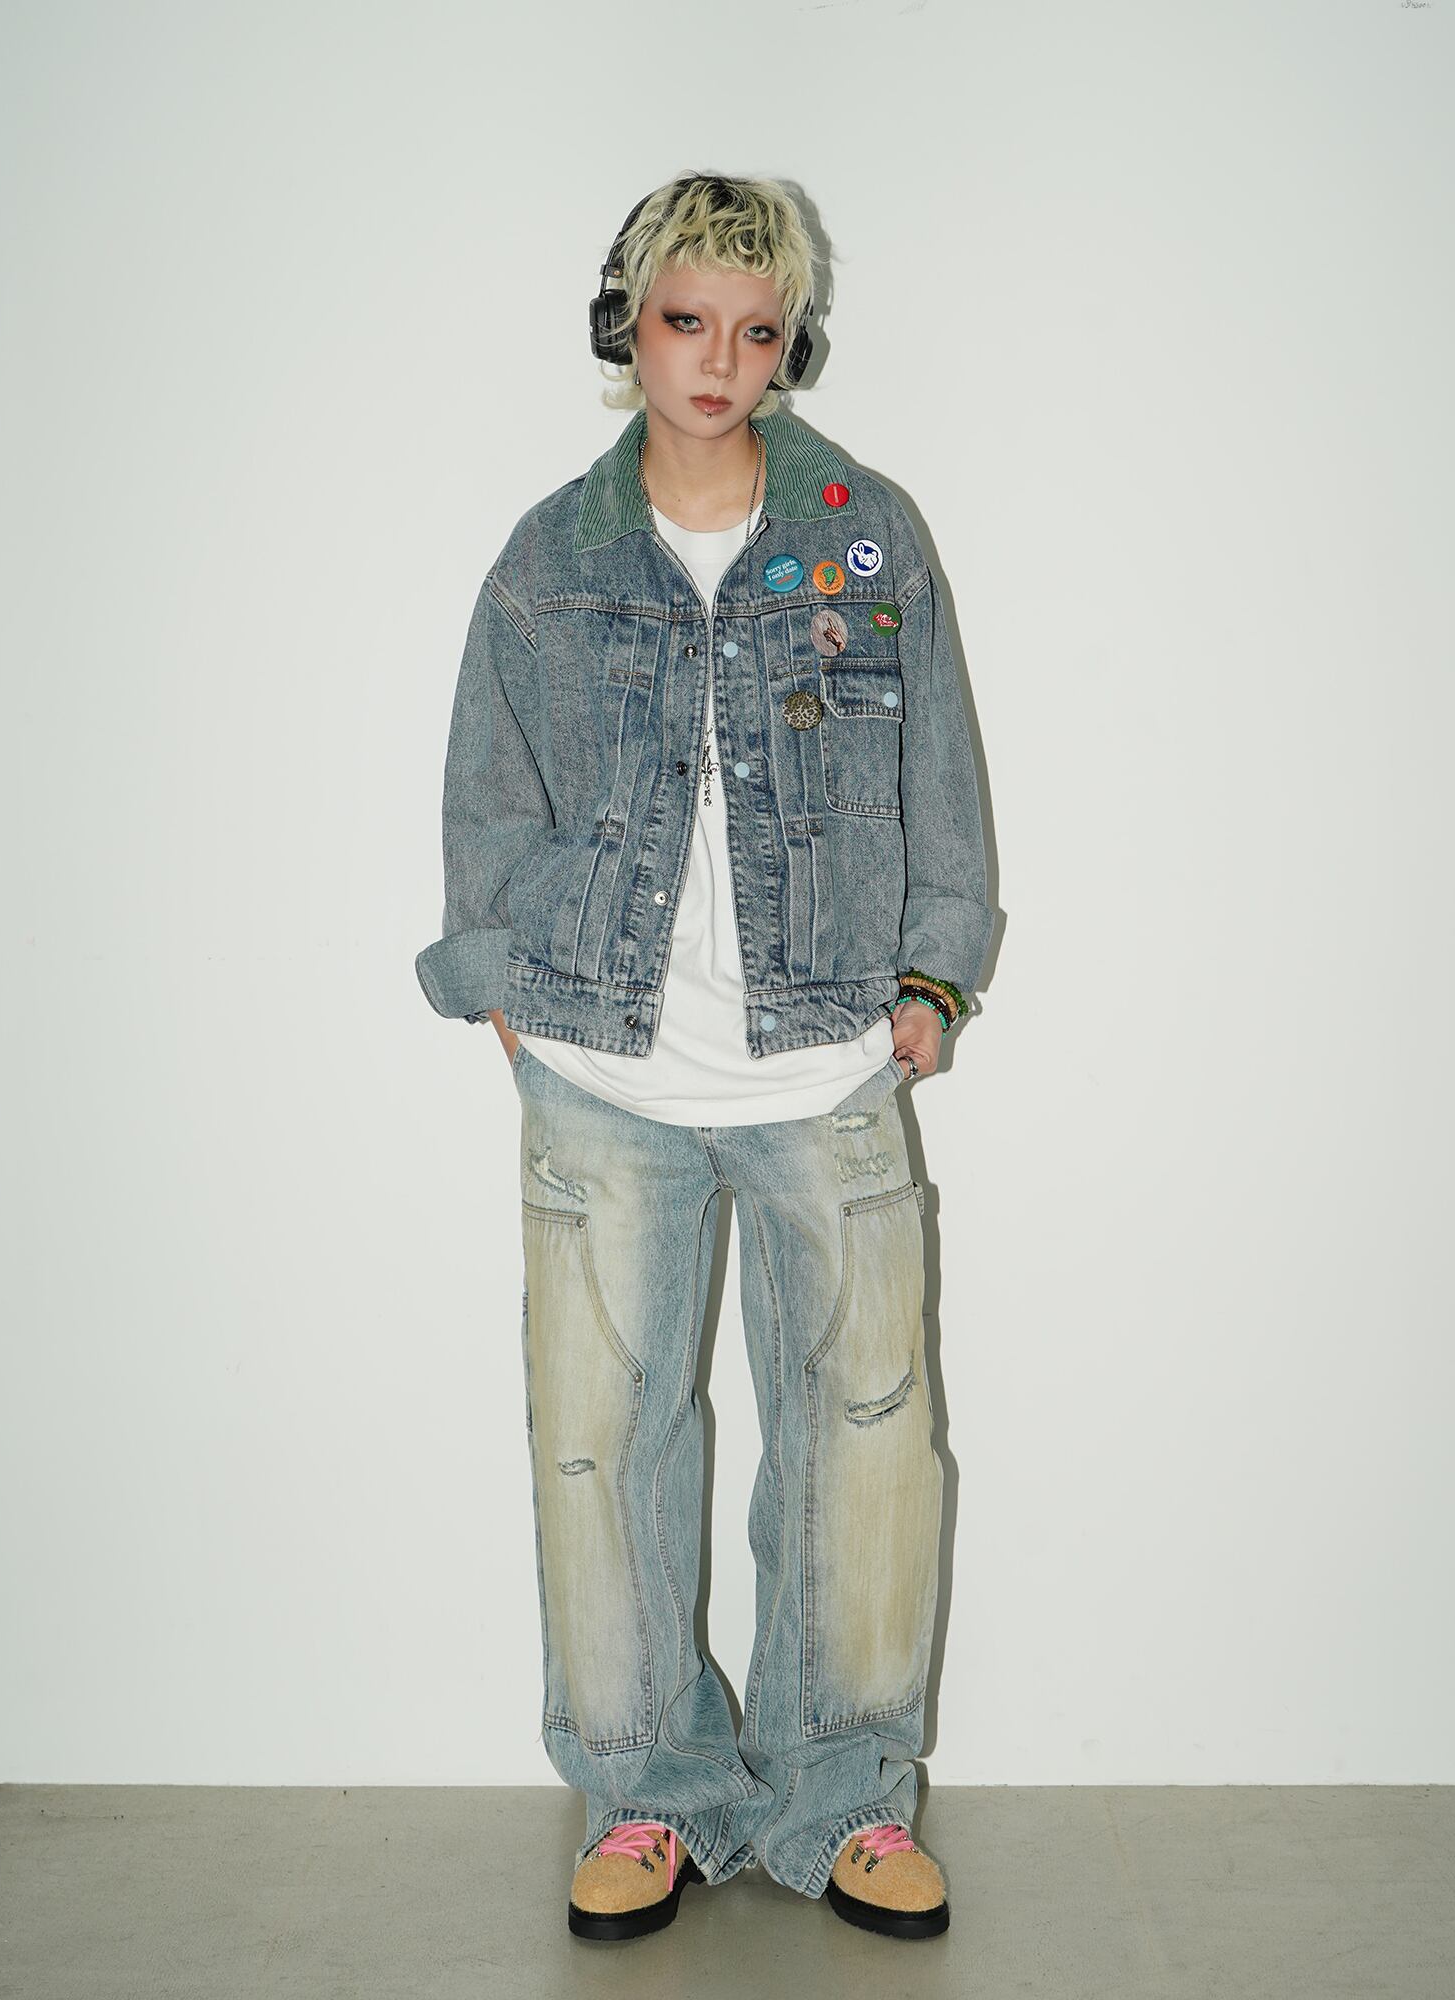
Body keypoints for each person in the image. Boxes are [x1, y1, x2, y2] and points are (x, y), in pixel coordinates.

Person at [415, 172, 995, 1943]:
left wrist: (934, 976)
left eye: (756, 328)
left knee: (868, 1443)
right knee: (603, 1449)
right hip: (606, 1073)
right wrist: (506, 985)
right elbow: (487, 788)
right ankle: (646, 1794)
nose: (719, 360)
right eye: (687, 322)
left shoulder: (863, 537)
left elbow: (942, 771)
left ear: (787, 340)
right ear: (630, 326)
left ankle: (847, 1798)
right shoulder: (553, 557)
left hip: (829, 1068)